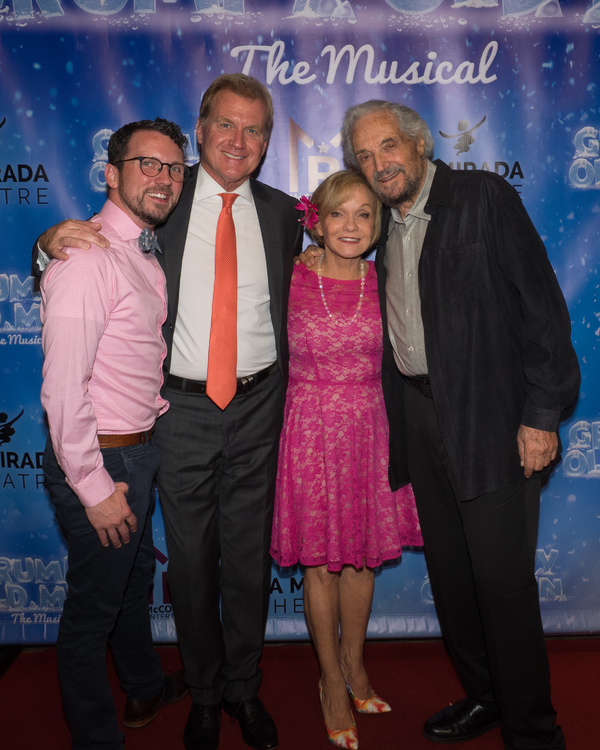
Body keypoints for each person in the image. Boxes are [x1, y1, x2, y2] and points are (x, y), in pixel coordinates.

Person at [36, 74, 303, 750]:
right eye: (226, 125)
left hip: (260, 404)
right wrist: (46, 244)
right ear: (203, 129)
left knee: (246, 560)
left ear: (267, 143)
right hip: (178, 411)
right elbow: (90, 250)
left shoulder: (282, 214)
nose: (239, 140)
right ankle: (205, 693)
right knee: (187, 564)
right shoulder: (163, 200)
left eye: (255, 129)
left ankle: (243, 687)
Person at [337, 100, 580, 749]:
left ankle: (533, 728)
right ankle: (486, 697)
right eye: (364, 155)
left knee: (500, 582)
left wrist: (540, 416)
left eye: (388, 146)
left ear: (419, 145)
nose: (378, 164)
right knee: (452, 578)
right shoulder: (381, 224)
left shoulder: (483, 196)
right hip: (419, 418)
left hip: (495, 418)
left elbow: (542, 311)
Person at [40, 118, 189, 750]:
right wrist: (95, 486)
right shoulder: (87, 256)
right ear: (111, 173)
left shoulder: (137, 249)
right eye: (146, 164)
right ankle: (96, 739)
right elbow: (61, 389)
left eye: (173, 168)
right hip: (101, 461)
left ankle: (143, 684)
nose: (163, 178)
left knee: (130, 588)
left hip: (136, 452)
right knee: (90, 616)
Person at [271, 170, 422, 750]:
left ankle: (356, 666)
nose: (352, 225)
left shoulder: (388, 279)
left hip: (370, 429)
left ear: (377, 223)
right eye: (338, 213)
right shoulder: (290, 275)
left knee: (361, 559)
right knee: (319, 564)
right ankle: (330, 681)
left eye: (364, 213)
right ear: (318, 220)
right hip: (308, 429)